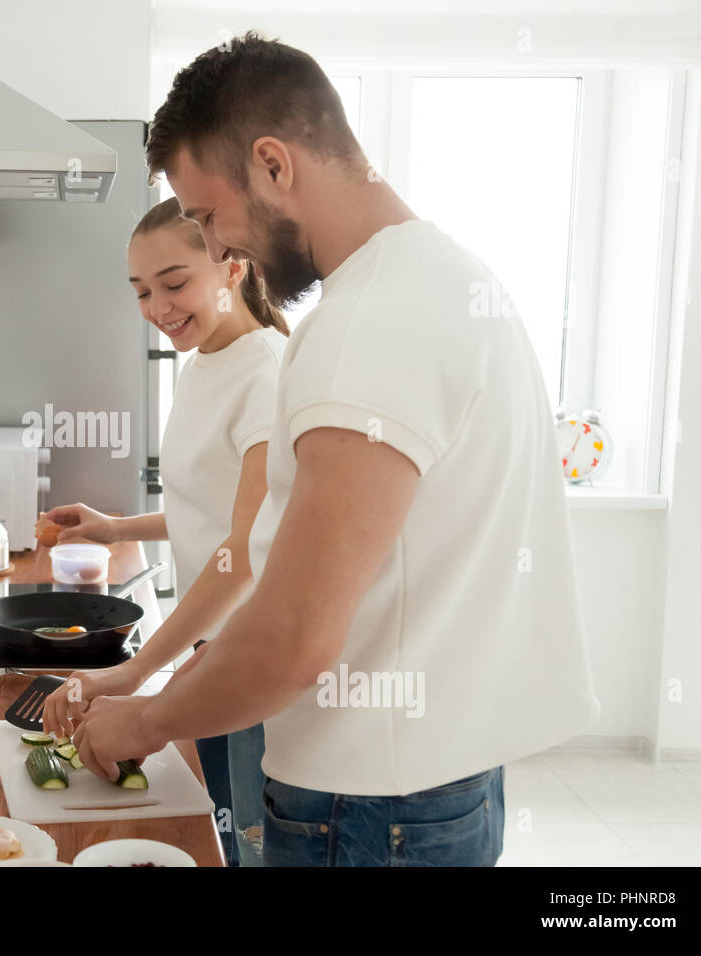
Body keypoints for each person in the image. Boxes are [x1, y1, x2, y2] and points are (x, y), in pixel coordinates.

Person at [70, 32, 601, 867]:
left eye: (209, 218)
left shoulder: (366, 325)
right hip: (442, 785)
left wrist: (141, 715)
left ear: (275, 165)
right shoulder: (450, 277)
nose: (218, 253)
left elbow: (295, 634)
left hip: (368, 810)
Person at [41, 195, 287, 867]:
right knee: (224, 838)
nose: (157, 307)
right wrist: (117, 525)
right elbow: (208, 506)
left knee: (250, 851)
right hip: (210, 647)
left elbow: (242, 546)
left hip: (253, 659)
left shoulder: (267, 372)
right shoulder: (203, 364)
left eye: (174, 283)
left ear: (232, 266)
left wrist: (137, 671)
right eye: (142, 291)